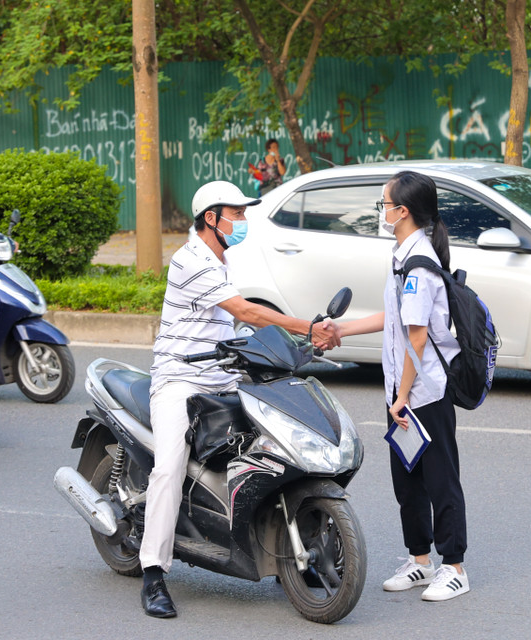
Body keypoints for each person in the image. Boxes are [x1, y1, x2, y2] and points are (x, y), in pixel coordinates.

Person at [139, 180, 340, 618]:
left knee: (274, 444)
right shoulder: (190, 260)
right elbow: (246, 310)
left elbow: (238, 325)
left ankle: (286, 547)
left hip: (221, 375)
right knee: (169, 466)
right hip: (180, 379)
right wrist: (307, 326)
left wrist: (294, 345)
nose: (243, 221)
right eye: (238, 213)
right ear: (212, 218)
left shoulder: (222, 257)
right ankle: (153, 572)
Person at [333, 170, 470, 602]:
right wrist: (341, 330)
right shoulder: (401, 255)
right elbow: (393, 319)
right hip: (402, 390)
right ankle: (421, 562)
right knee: (407, 480)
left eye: (385, 204)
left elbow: (416, 336)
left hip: (424, 392)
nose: (382, 211)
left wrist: (403, 397)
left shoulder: (419, 265)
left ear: (403, 211)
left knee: (441, 480)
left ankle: (454, 567)